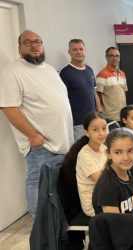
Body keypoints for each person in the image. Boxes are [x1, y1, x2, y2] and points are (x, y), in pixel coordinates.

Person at [0, 30, 74, 217]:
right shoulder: (13, 72)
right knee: (37, 183)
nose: (34, 45)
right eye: (28, 42)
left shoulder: (49, 70)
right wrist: (34, 136)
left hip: (61, 141)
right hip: (41, 144)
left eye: (38, 42)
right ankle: (39, 225)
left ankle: (55, 224)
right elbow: (9, 107)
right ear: (19, 48)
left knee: (56, 186)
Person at [60, 39, 99, 140]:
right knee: (81, 153)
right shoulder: (65, 72)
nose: (78, 52)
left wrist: (99, 114)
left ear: (85, 51)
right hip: (78, 124)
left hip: (94, 120)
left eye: (81, 49)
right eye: (75, 49)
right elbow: (63, 100)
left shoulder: (89, 70)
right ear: (69, 52)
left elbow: (94, 93)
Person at [74, 112, 108, 217]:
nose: (102, 133)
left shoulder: (103, 147)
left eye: (104, 128)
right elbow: (102, 181)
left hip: (106, 195)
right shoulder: (84, 155)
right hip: (94, 204)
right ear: (87, 133)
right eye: (95, 130)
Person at [96, 47, 127, 122]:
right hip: (109, 117)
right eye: (111, 56)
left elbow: (124, 93)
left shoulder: (122, 74)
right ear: (106, 57)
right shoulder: (102, 74)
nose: (114, 58)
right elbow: (97, 96)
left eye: (117, 56)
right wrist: (99, 114)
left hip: (123, 115)